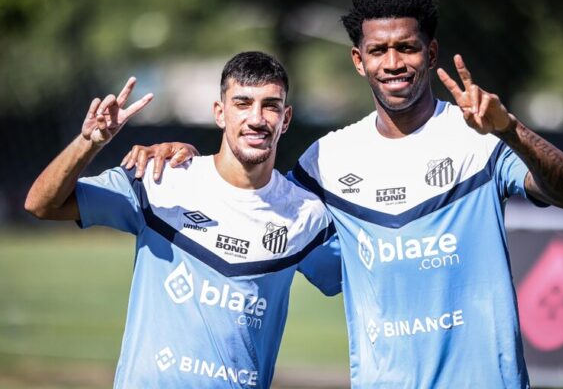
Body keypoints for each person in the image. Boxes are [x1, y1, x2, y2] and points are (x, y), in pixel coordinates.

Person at [129, 0, 563, 387]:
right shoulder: (327, 160)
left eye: (407, 48)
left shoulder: (480, 138)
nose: (393, 63)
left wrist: (509, 128)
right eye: (378, 50)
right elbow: (254, 204)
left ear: (430, 55)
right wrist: (193, 160)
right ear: (358, 59)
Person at [24, 51, 341, 388]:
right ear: (219, 113)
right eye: (242, 103)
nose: (257, 118)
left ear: (286, 118)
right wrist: (90, 142)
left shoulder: (306, 215)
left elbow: (367, 278)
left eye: (271, 105)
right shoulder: (159, 178)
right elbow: (42, 204)